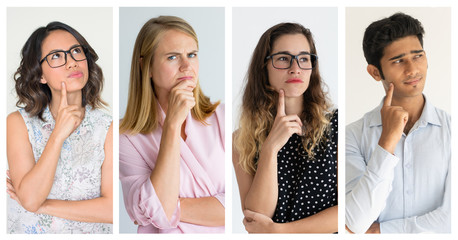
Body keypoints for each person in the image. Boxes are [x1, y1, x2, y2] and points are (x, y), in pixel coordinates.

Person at [345, 12, 450, 233]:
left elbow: (452, 217)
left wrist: (382, 231)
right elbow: (355, 222)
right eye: (398, 61)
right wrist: (387, 142)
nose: (412, 69)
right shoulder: (351, 136)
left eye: (418, 56)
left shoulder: (452, 131)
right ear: (375, 72)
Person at [119, 16, 225, 233]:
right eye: (172, 57)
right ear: (146, 66)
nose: (187, 66)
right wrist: (171, 126)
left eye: (192, 55)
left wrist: (169, 207)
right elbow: (145, 211)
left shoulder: (222, 118)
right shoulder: (125, 136)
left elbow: (239, 206)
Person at [6, 21, 113, 234]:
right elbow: (29, 197)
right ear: (40, 74)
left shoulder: (107, 127)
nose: (72, 62)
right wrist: (57, 135)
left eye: (76, 51)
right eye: (56, 56)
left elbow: (112, 210)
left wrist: (44, 206)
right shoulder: (18, 123)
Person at [232, 22, 338, 233]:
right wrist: (270, 148)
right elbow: (256, 218)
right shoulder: (242, 139)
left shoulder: (335, 126)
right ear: (264, 67)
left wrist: (280, 231)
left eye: (304, 59)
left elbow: (347, 211)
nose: (295, 68)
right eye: (283, 58)